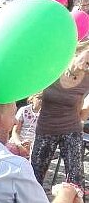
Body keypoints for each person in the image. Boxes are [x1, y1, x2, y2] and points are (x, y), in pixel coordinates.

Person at [30, 47, 89, 188]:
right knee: (34, 175)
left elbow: (81, 105)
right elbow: (34, 96)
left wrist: (81, 120)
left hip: (71, 129)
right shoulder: (54, 67)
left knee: (75, 178)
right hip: (46, 128)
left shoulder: (87, 79)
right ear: (80, 49)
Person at [10, 93, 41, 158]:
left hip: (34, 144)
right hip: (18, 141)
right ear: (32, 99)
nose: (41, 101)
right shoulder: (24, 110)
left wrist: (32, 145)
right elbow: (15, 131)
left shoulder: (46, 114)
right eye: (39, 98)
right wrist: (19, 144)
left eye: (44, 99)